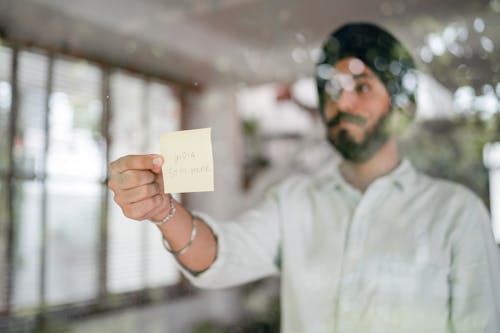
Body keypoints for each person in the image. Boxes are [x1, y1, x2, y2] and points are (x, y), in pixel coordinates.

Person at [107, 22, 500, 332]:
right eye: (331, 88)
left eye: (362, 87)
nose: (342, 101)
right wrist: (162, 211)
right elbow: (223, 256)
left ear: (403, 107)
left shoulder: (457, 214)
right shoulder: (293, 200)